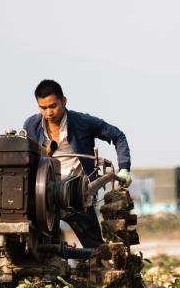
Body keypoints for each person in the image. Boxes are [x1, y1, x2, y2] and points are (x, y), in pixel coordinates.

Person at [23, 79, 131, 248]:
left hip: (76, 195)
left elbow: (118, 136)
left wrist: (124, 167)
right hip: (43, 195)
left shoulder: (82, 122)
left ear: (64, 101)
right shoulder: (31, 125)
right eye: (43, 108)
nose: (49, 112)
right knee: (38, 246)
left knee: (95, 249)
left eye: (53, 106)